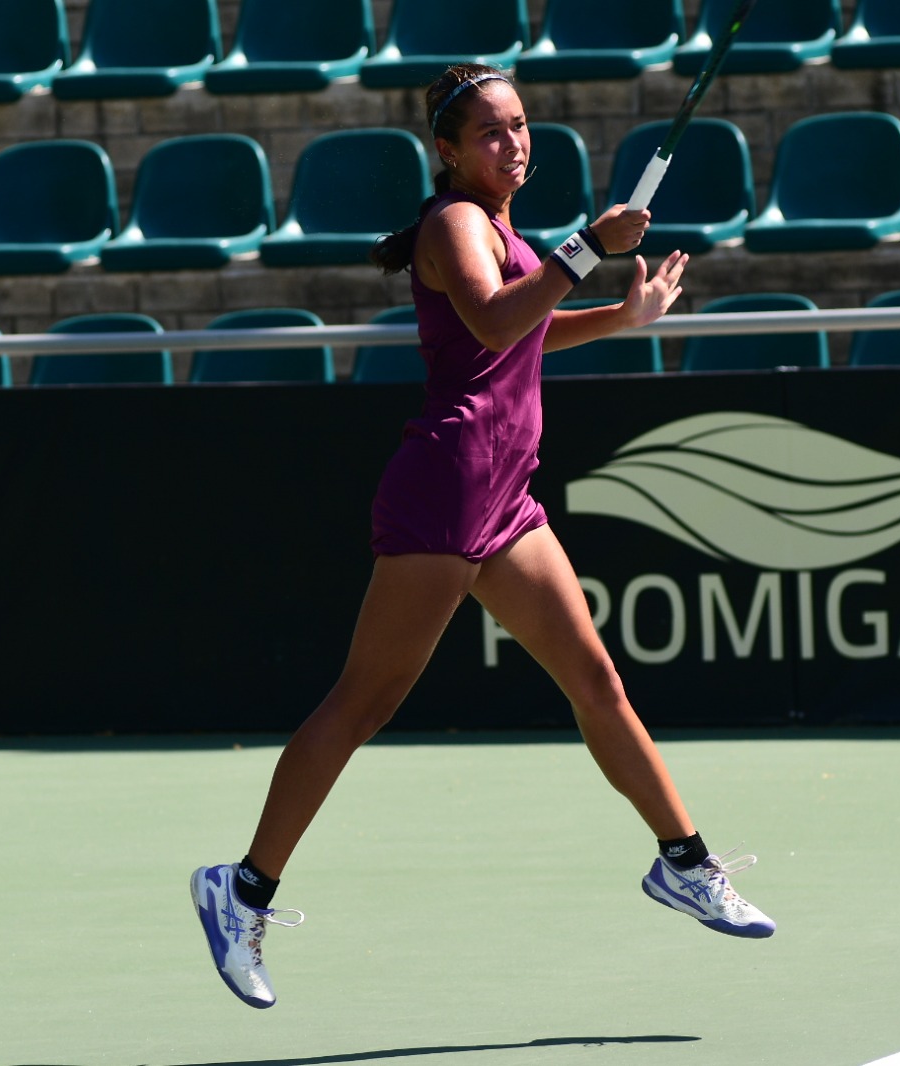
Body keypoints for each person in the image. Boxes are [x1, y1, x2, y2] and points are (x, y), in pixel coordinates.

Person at [190, 64, 774, 1010]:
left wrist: (624, 314)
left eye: (521, 125)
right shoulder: (455, 224)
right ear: (448, 151)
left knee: (595, 679)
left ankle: (686, 863)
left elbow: (530, 331)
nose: (515, 143)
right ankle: (242, 888)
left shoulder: (506, 230)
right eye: (493, 132)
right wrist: (590, 246)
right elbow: (497, 317)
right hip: (446, 493)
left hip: (505, 498)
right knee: (364, 702)